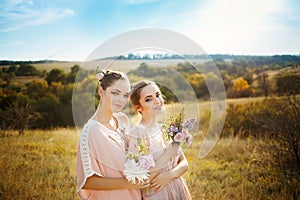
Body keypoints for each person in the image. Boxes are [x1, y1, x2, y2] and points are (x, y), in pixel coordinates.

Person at [76, 70, 149, 200]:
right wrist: (130, 183)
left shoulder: (122, 120)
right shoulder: (91, 131)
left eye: (126, 95)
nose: (121, 100)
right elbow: (87, 181)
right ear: (100, 91)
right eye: (115, 93)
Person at [129, 80, 192, 200]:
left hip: (178, 190)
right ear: (138, 107)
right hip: (157, 195)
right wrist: (167, 155)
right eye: (148, 99)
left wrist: (169, 175)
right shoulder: (137, 134)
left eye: (157, 95)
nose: (157, 101)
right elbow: (141, 180)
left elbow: (184, 164)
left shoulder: (164, 128)